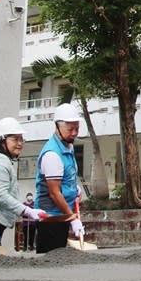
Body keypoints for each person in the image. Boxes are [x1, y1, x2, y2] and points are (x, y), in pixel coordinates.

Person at [34, 103, 84, 253]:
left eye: (77, 128)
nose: (74, 133)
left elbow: (68, 178)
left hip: (63, 215)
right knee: (50, 259)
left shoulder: (68, 146)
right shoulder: (52, 154)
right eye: (70, 129)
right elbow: (54, 193)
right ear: (58, 126)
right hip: (51, 218)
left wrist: (75, 190)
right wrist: (73, 218)